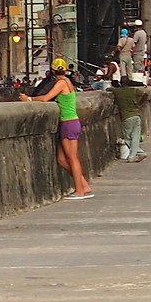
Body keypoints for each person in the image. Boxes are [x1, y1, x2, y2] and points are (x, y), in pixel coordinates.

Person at [35, 59, 94, 198]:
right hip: (70, 122)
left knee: (72, 158)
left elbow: (45, 98)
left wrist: (29, 99)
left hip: (68, 122)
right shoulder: (68, 81)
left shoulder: (61, 83)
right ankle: (83, 185)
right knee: (61, 159)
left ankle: (79, 191)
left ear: (53, 71)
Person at [112, 65, 150, 162]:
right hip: (136, 115)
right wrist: (139, 104)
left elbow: (109, 89)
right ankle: (138, 154)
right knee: (135, 137)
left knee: (127, 138)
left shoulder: (117, 91)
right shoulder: (133, 90)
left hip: (126, 117)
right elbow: (146, 94)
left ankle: (135, 155)